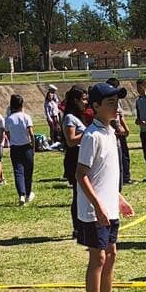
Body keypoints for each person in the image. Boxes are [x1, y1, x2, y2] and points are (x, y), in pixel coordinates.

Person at [74, 82, 136, 292]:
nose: (116, 107)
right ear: (95, 106)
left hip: (109, 206)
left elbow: (105, 174)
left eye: (117, 103)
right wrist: (98, 205)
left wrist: (118, 198)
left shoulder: (111, 133)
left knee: (111, 254)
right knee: (97, 258)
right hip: (93, 210)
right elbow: (82, 174)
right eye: (110, 103)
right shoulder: (91, 136)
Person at [63, 87, 88, 236]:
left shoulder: (78, 117)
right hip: (74, 157)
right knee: (78, 194)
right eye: (83, 99)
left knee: (84, 193)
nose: (86, 102)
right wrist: (88, 132)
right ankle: (77, 227)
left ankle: (84, 225)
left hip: (82, 156)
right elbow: (71, 141)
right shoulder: (69, 118)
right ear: (75, 100)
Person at [5, 94, 35, 204]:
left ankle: (21, 195)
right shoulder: (26, 117)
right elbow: (31, 133)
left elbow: (7, 134)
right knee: (28, 172)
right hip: (26, 146)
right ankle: (28, 193)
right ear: (22, 104)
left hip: (15, 148)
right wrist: (34, 147)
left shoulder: (8, 119)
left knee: (18, 171)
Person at [105, 77, 132, 187]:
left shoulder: (116, 101)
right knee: (120, 155)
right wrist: (121, 128)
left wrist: (125, 128)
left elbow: (120, 116)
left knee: (123, 154)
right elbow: (116, 118)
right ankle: (123, 177)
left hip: (118, 131)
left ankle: (124, 176)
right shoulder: (108, 102)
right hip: (115, 132)